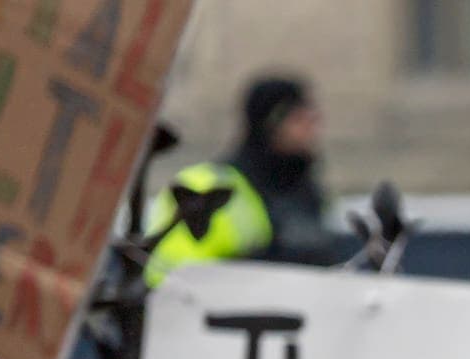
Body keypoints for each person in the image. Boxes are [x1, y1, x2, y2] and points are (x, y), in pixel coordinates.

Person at [144, 76, 346, 280]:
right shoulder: (206, 185)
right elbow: (177, 275)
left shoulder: (306, 190)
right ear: (272, 125)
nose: (312, 130)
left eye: (314, 120)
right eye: (300, 120)